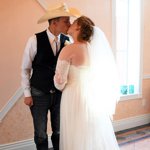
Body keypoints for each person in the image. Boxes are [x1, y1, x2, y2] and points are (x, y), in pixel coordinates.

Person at [54, 16, 120, 150]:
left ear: (78, 28)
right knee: (90, 133)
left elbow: (60, 83)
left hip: (73, 96)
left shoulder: (68, 49)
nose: (70, 23)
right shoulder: (92, 48)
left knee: (75, 132)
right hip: (91, 97)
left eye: (74, 22)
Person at [21, 3, 80, 150]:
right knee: (40, 133)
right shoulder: (34, 40)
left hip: (60, 94)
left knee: (59, 131)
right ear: (54, 22)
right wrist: (27, 94)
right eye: (66, 21)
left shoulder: (68, 41)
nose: (69, 24)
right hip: (38, 94)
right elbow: (25, 69)